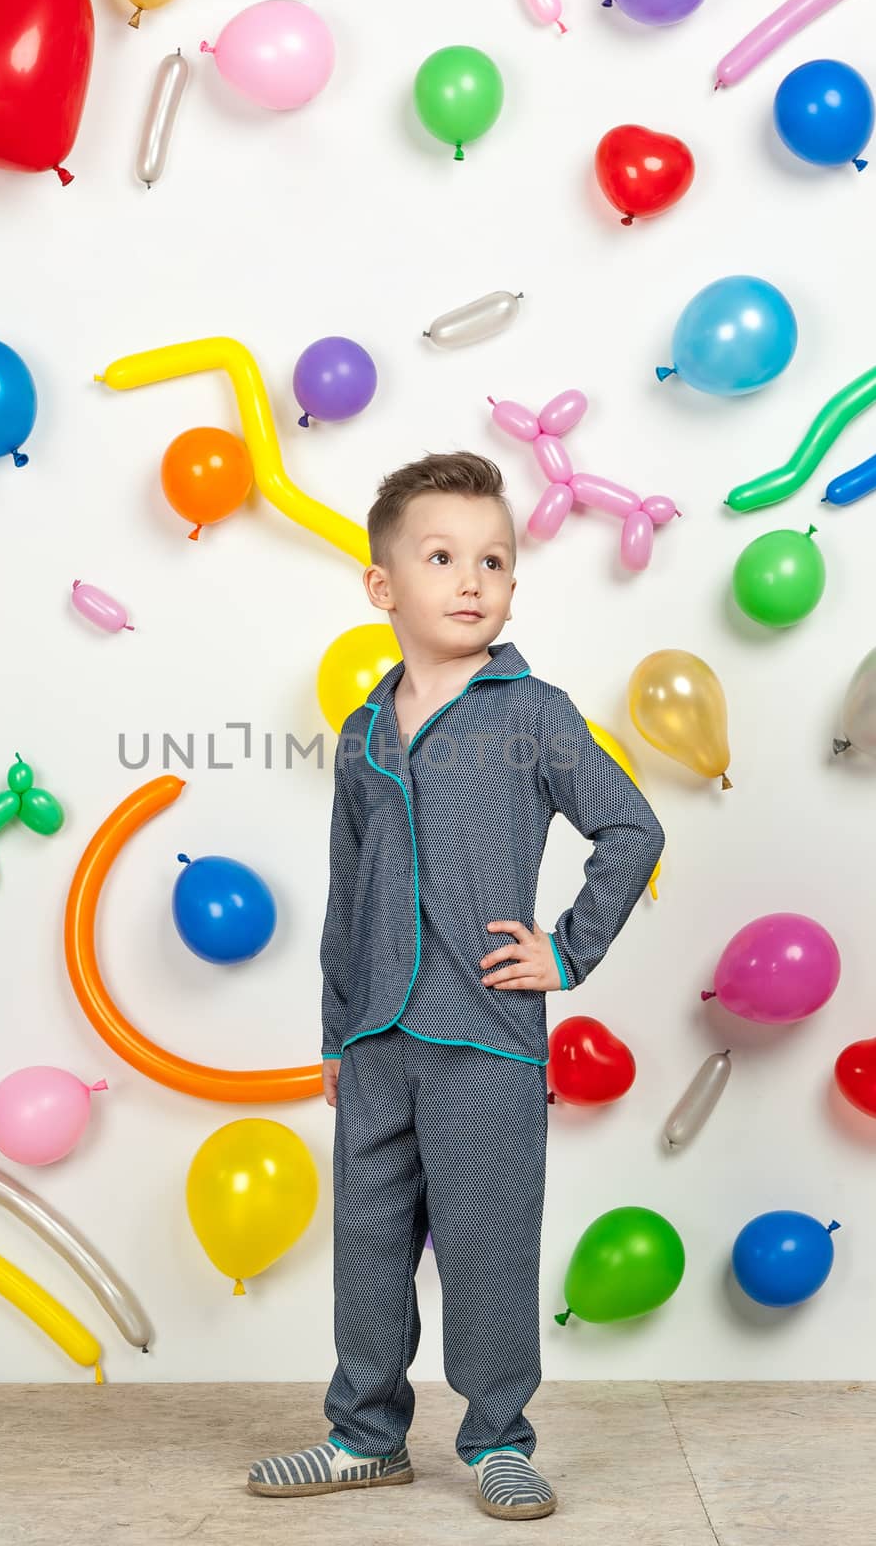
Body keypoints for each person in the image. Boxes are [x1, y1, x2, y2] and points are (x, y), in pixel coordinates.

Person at [247, 452, 664, 1520]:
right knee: (369, 1244)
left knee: (485, 1241)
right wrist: (337, 1035)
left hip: (486, 1034)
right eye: (442, 558)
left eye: (493, 559)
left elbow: (630, 828)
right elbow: (349, 893)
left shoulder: (533, 711)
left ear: (513, 584)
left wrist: (565, 951)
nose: (472, 578)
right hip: (379, 1038)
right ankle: (364, 1435)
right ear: (384, 588)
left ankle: (495, 1440)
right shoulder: (361, 730)